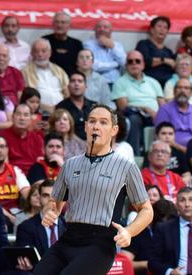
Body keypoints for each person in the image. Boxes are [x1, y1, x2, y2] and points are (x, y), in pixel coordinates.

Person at [35, 105, 153, 275]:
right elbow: (54, 203)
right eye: (92, 121)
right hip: (69, 237)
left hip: (101, 243)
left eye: (103, 122)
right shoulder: (70, 164)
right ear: (85, 127)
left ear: (114, 130)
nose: (96, 126)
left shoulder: (126, 166)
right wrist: (49, 211)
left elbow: (146, 210)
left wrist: (129, 232)